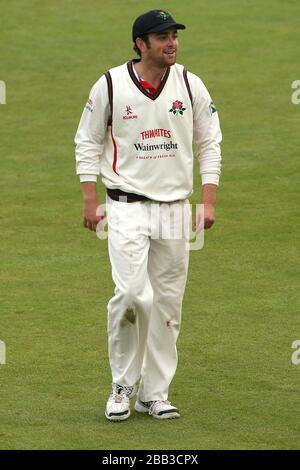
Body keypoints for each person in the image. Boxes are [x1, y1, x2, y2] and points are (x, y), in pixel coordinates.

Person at [75, 9, 222, 421]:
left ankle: (154, 393)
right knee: (132, 297)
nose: (171, 43)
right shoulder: (110, 84)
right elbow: (86, 142)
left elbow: (211, 143)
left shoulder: (191, 86)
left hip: (175, 210)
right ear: (141, 43)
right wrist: (90, 198)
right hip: (125, 207)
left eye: (174, 36)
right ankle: (122, 385)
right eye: (162, 37)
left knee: (168, 306)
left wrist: (208, 200)